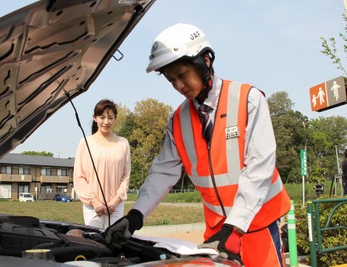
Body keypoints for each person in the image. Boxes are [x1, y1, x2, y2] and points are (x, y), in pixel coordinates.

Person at [104, 23, 291, 266]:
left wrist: (235, 227)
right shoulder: (178, 121)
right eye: (171, 80)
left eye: (182, 75)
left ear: (205, 61)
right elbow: (162, 172)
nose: (179, 86)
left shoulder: (248, 100)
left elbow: (259, 168)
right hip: (216, 234)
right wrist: (135, 216)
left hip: (258, 225)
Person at [73, 99, 131, 229]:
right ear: (95, 118)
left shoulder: (123, 143)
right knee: (94, 242)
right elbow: (79, 176)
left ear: (115, 119)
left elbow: (126, 176)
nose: (106, 122)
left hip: (116, 206)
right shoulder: (85, 143)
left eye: (110, 118)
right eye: (102, 117)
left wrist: (116, 200)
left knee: (115, 242)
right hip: (92, 207)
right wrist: (94, 201)